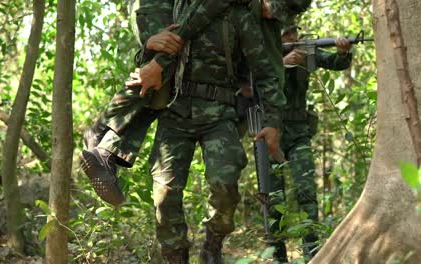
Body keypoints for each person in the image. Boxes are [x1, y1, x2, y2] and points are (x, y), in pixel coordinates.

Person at [81, 0, 312, 206]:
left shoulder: (251, 17)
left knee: (163, 71)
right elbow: (200, 13)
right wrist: (159, 62)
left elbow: (267, 66)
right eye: (270, 7)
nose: (269, 14)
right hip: (154, 7)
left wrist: (271, 118)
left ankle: (105, 144)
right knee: (157, 73)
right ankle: (102, 134)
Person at [267, 25, 353, 262]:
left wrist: (343, 52)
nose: (292, 38)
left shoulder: (307, 50)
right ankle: (278, 257)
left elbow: (335, 62)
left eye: (294, 33)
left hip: (298, 132)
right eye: (286, 34)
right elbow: (247, 80)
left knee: (307, 192)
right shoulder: (263, 49)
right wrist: (281, 64)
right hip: (269, 131)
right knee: (274, 199)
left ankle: (312, 253)